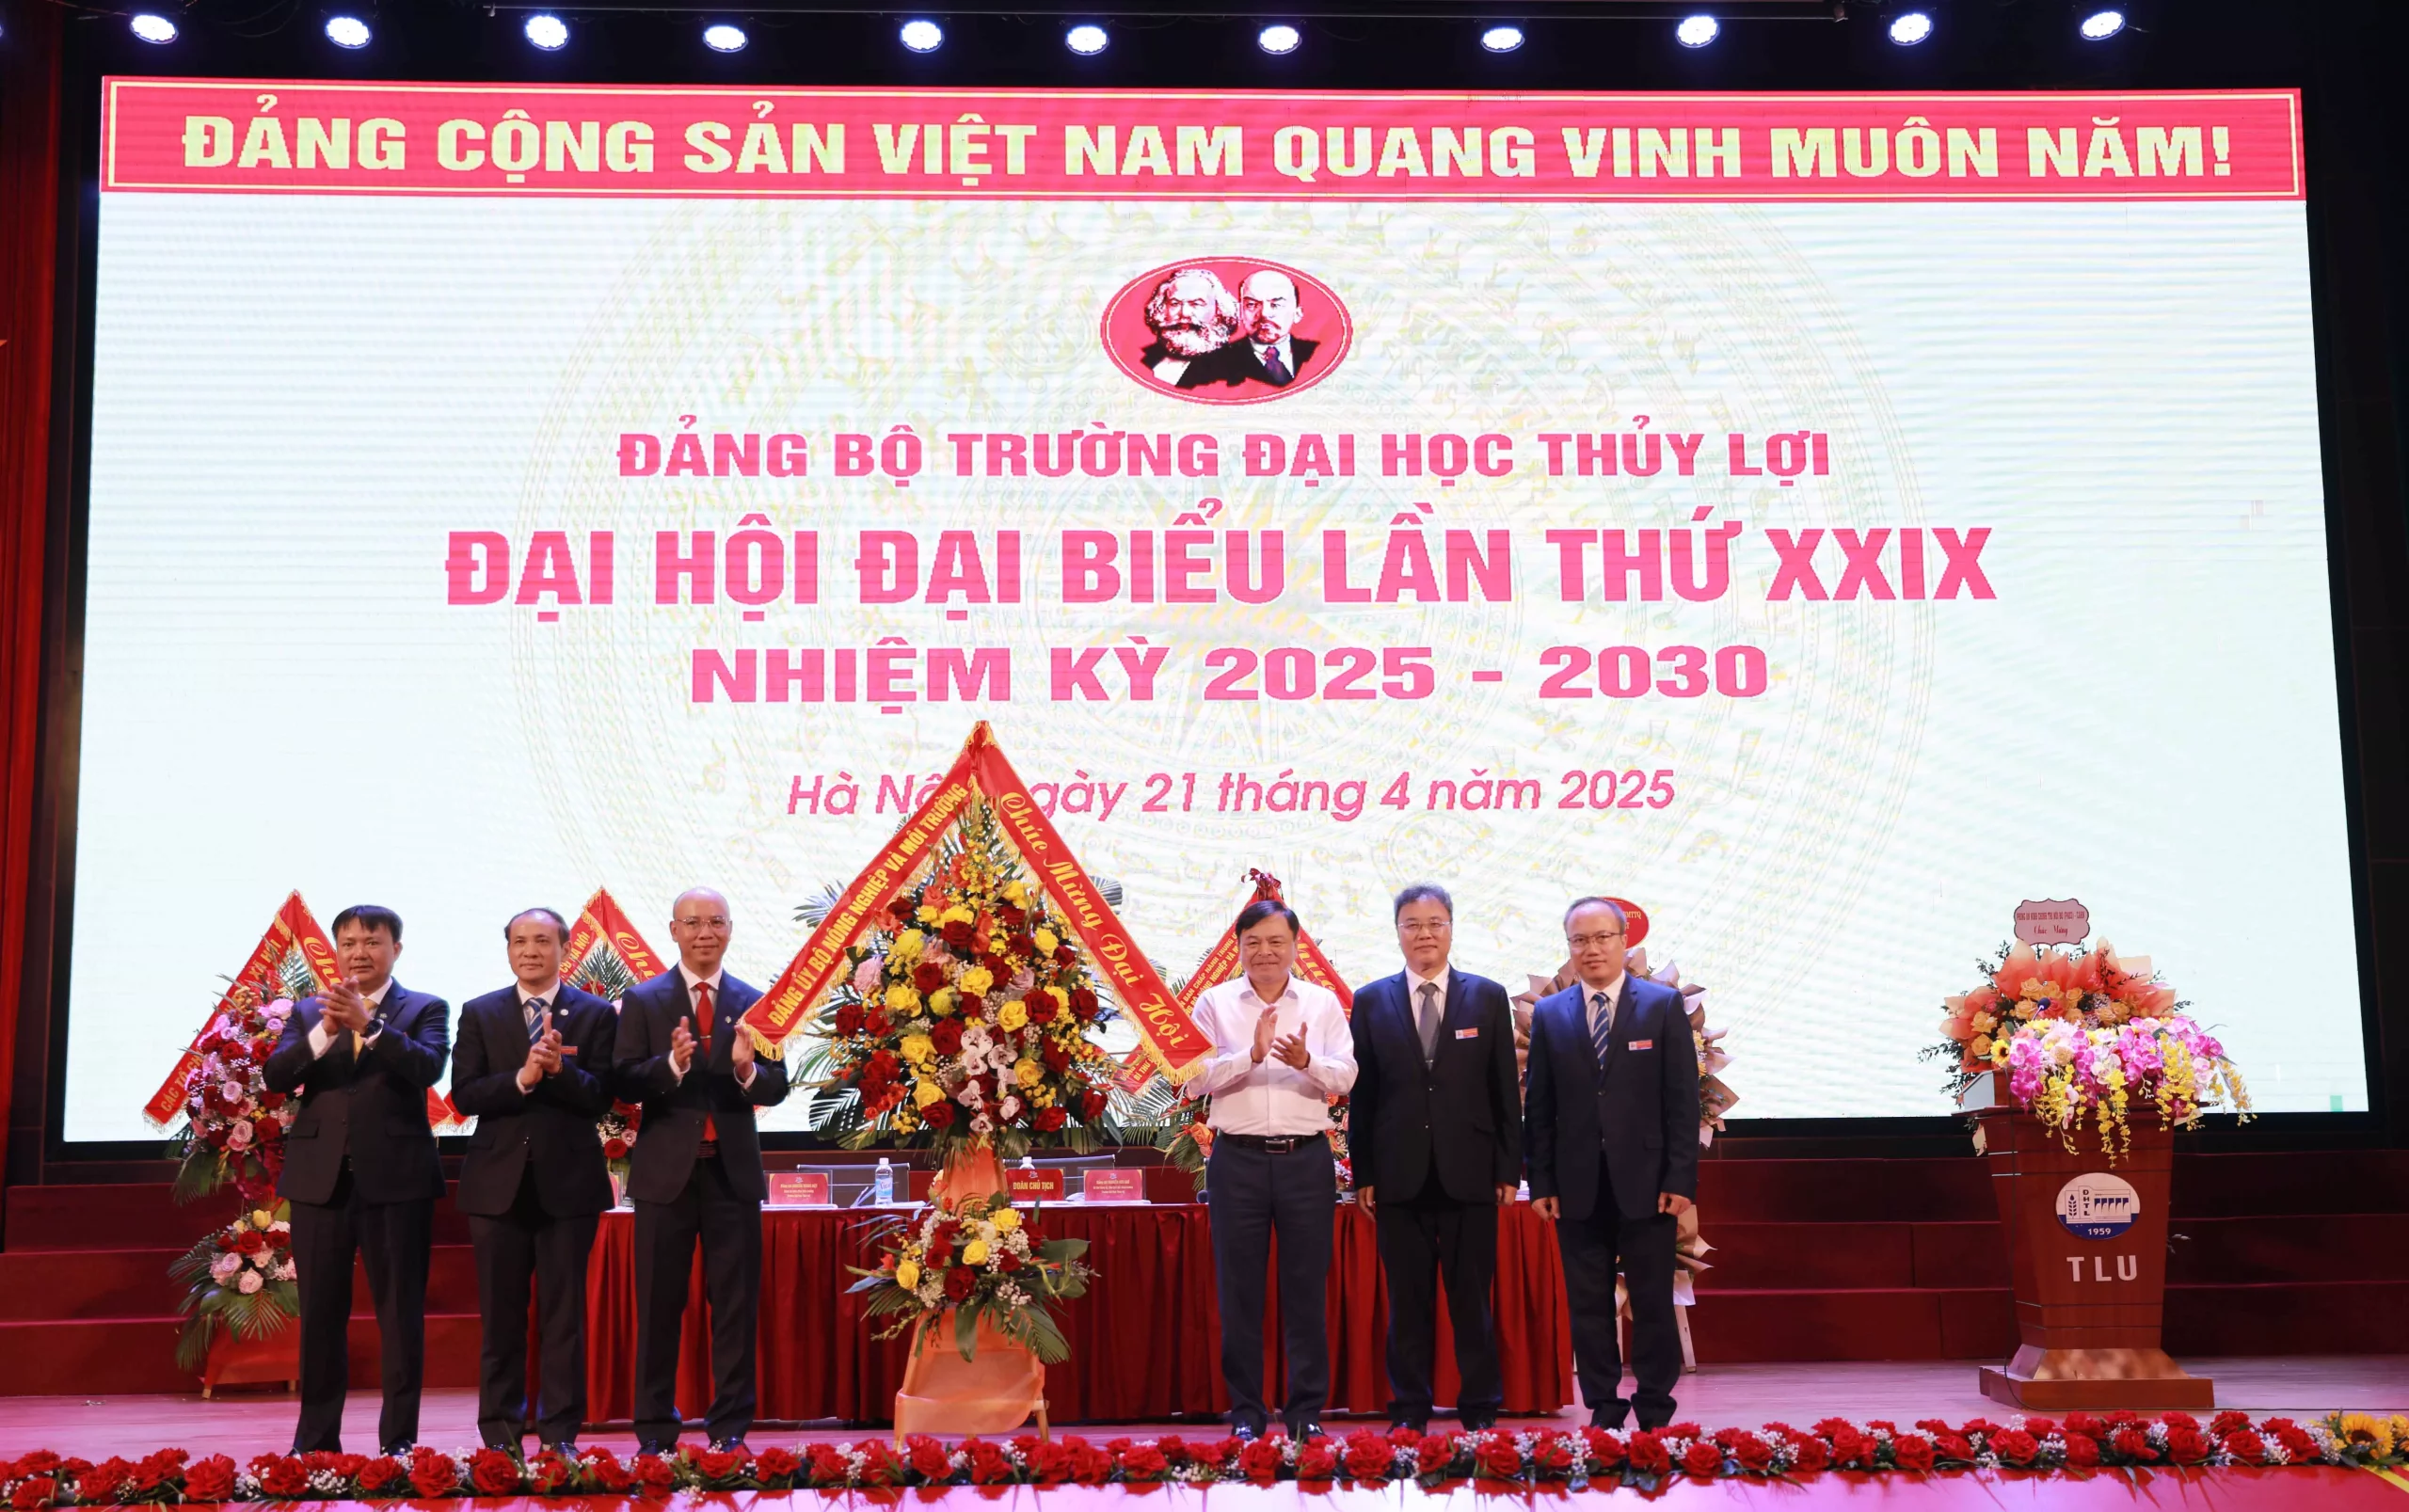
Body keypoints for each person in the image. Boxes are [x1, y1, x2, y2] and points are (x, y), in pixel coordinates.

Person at [262, 904, 450, 1455]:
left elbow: (428, 1068)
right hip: (320, 1182)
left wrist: (369, 1026)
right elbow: (276, 1076)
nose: (359, 953)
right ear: (336, 951)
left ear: (396, 949)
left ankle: (399, 1444)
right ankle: (316, 1443)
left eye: (371, 942)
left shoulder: (424, 1007)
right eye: (348, 943)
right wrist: (326, 1030)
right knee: (321, 1316)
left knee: (400, 1315)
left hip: (398, 1183)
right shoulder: (308, 1011)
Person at [615, 886, 789, 1454]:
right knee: (658, 1307)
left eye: (715, 922)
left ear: (730, 929)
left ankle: (729, 1432)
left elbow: (777, 1086)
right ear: (674, 931)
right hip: (665, 1176)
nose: (704, 933)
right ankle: (654, 1435)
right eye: (693, 923)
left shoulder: (755, 1003)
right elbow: (623, 1079)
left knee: (735, 1309)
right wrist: (670, 1064)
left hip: (731, 1177)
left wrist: (745, 1072)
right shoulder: (643, 999)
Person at [1348, 883, 1522, 1432]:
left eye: (1435, 923)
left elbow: (1504, 1089)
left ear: (1451, 928)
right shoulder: (1370, 1000)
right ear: (1397, 931)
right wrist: (1364, 1172)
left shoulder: (1487, 996)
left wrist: (1507, 1168)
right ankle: (1409, 1412)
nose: (1424, 934)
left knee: (1472, 1302)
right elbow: (1363, 1096)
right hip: (1398, 1175)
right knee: (1408, 1304)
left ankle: (1480, 1411)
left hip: (1471, 1174)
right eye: (1412, 924)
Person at [1523, 897, 1699, 1430]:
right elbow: (1540, 1106)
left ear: (1624, 941)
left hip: (1648, 1184)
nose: (1592, 949)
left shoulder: (1662, 1006)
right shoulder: (1551, 1014)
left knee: (1651, 1301)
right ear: (1569, 947)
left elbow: (1682, 1101)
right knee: (1588, 1305)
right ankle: (1603, 1408)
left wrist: (1680, 1177)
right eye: (1580, 940)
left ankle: (1655, 1409)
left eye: (1603, 937)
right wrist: (1542, 1180)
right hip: (1576, 1185)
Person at [449, 907, 618, 1455]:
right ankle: (500, 1439)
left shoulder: (595, 1014)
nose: (530, 951)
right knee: (502, 1319)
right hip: (496, 1187)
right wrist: (521, 1079)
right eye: (520, 941)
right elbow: (464, 1094)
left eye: (542, 941)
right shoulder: (481, 1012)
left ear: (564, 948)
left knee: (563, 1318)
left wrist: (560, 1071)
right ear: (508, 950)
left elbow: (601, 1097)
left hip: (568, 1185)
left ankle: (560, 1438)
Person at [1189, 898, 1357, 1441]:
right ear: (1238, 948)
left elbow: (1347, 1075)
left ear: (1295, 946)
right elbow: (1192, 1079)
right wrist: (1251, 1056)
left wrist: (1306, 1062)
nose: (1265, 952)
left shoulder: (1321, 1003)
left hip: (1305, 1160)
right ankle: (1246, 1413)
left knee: (1306, 1290)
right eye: (1253, 942)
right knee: (1239, 1292)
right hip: (1235, 1160)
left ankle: (1305, 1413)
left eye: (1276, 942)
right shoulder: (1214, 1003)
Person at [1186, 269, 1320, 390]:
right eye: (1251, 305)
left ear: (1297, 314)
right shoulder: (1209, 365)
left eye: (1276, 305)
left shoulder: (1318, 353)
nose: (1264, 313)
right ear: (1240, 311)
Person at [1136, 265, 1238, 386]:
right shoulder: (1144, 358)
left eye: (1196, 304)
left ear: (1219, 311)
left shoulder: (1234, 368)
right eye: (1175, 303)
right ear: (1162, 309)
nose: (1184, 313)